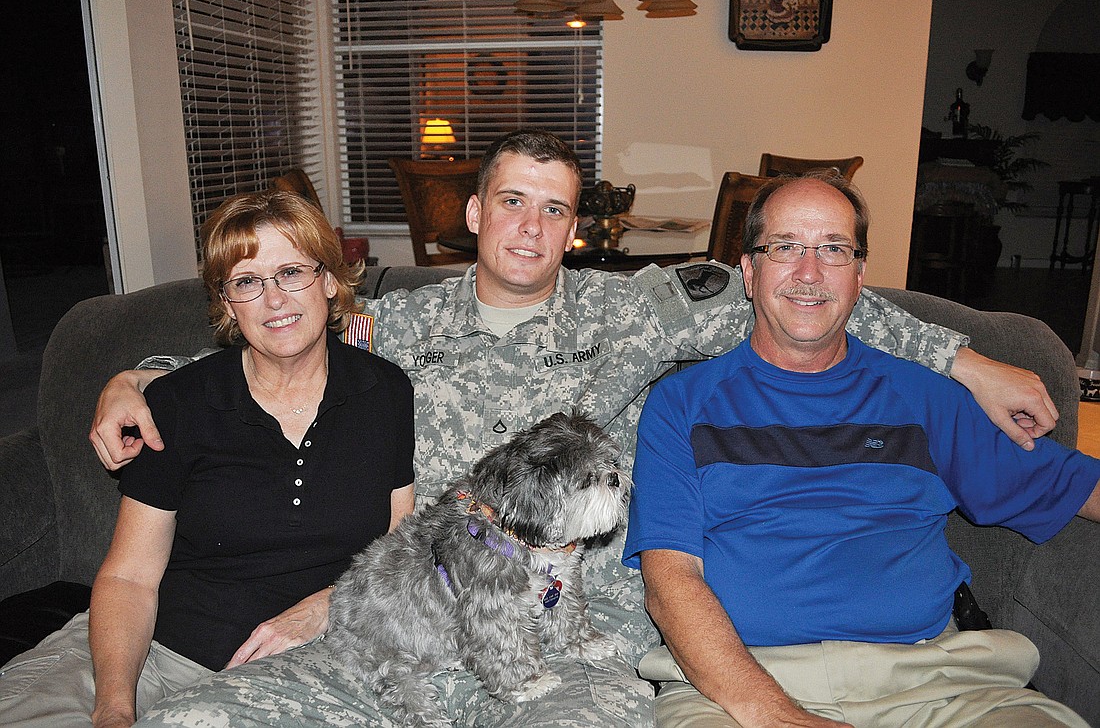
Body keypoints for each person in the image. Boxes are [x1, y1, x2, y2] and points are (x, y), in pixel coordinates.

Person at [91, 131, 1055, 727]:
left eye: (554, 209)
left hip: (577, 631)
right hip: (428, 619)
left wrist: (967, 358)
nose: (529, 227)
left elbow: (809, 289)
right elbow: (269, 341)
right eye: (511, 201)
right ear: (473, 213)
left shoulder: (634, 313)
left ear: (575, 230)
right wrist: (141, 377)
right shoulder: (395, 324)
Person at [623, 172, 1100, 728]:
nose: (810, 272)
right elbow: (669, 581)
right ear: (749, 274)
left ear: (858, 276)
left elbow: (1066, 483)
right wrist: (778, 716)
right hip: (736, 691)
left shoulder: (924, 396)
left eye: (833, 249)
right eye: (785, 248)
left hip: (938, 684)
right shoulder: (681, 404)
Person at [0, 191, 415, 728]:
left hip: (303, 666)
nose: (274, 299)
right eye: (247, 282)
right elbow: (129, 579)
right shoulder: (179, 404)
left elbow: (400, 553)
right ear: (226, 302)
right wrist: (113, 708)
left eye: (292, 272)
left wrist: (327, 607)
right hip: (154, 652)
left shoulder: (383, 393)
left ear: (330, 281)